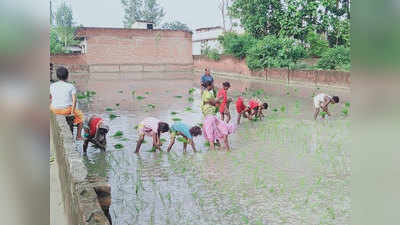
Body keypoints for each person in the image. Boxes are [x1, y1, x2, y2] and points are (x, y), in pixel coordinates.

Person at [50, 66, 84, 140]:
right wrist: (72, 112)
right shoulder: (71, 86)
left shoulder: (52, 86)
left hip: (54, 110)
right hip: (66, 110)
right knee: (81, 118)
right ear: (67, 76)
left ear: (57, 76)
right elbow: (74, 100)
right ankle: (78, 136)